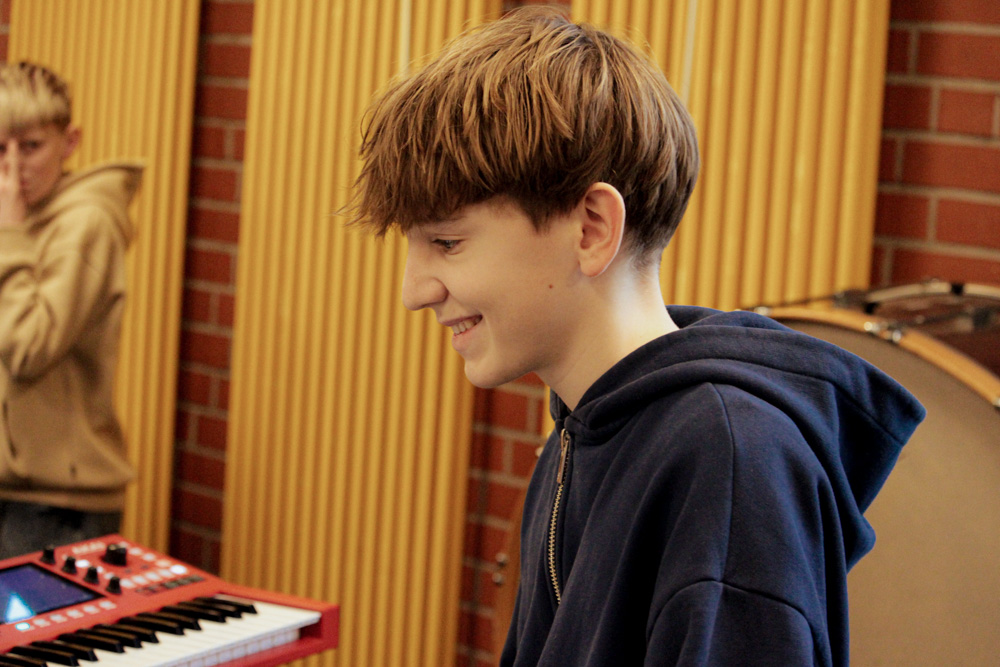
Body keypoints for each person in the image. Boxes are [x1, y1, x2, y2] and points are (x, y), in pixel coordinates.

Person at [351, 8, 924, 666]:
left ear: (592, 228)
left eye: (447, 242)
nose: (414, 290)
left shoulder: (728, 463)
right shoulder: (577, 433)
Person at [0, 61, 142, 558]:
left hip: (56, 504)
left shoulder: (87, 223)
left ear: (70, 141)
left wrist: (8, 236)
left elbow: (28, 348)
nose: (12, 169)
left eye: (30, 146)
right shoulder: (16, 218)